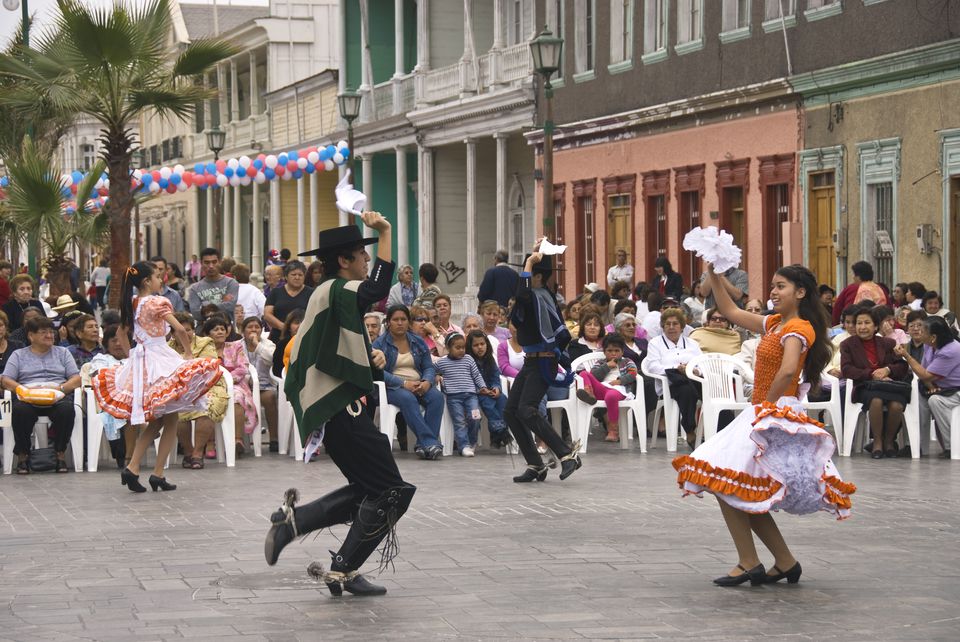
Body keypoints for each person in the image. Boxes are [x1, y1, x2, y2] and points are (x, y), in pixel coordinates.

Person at [673, 263, 854, 587]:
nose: (773, 291)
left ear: (800, 292)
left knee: (724, 480)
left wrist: (766, 407)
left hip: (773, 411)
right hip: (763, 410)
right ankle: (783, 561)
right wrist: (714, 274)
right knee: (738, 485)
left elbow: (787, 371)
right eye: (772, 285)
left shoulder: (799, 327)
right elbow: (728, 308)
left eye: (781, 286)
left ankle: (749, 561)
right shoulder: (774, 323)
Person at [265, 214, 417, 598]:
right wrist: (385, 231)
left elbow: (338, 343)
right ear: (345, 261)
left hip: (340, 407)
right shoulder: (336, 288)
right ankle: (341, 567)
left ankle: (296, 527)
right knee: (391, 492)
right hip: (341, 408)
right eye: (362, 257)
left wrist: (370, 359)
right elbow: (379, 288)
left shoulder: (328, 292)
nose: (367, 263)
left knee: (371, 488)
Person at [93, 262, 222, 493]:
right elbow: (180, 329)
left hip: (143, 360)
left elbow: (122, 332)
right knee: (168, 419)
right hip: (160, 359)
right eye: (156, 276)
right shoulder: (157, 302)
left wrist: (130, 354)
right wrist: (189, 355)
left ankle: (137, 468)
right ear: (146, 281)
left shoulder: (133, 302)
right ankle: (155, 473)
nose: (160, 280)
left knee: (161, 420)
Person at [504, 247, 582, 483]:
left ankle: (567, 455)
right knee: (511, 411)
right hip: (531, 361)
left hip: (544, 361)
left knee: (527, 409)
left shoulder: (539, 296)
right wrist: (535, 255)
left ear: (537, 277)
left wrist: (530, 262)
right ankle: (536, 465)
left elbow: (523, 295)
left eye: (527, 274)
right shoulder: (535, 296)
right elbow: (522, 296)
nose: (522, 281)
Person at [0, 316, 81, 473]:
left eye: (51, 332)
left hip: (56, 396)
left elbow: (76, 378)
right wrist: (22, 390)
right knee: (20, 411)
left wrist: (61, 389)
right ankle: (23, 455)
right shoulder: (18, 355)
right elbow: (6, 379)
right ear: (31, 336)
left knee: (67, 410)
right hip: (29, 397)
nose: (50, 336)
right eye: (44, 332)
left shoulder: (62, 353)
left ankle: (59, 454)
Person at [374, 305, 445, 459]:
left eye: (403, 319)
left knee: (437, 398)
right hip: (393, 387)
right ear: (388, 322)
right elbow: (377, 372)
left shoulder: (418, 341)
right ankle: (430, 442)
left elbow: (428, 367)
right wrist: (403, 383)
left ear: (408, 322)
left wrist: (427, 381)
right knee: (408, 398)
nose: (400, 323)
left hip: (418, 383)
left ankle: (423, 445)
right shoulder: (380, 344)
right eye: (395, 320)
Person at [840, 307, 910, 459]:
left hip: (888, 386)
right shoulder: (847, 345)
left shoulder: (887, 343)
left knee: (897, 404)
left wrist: (887, 370)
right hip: (864, 386)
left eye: (867, 323)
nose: (862, 327)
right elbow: (846, 370)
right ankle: (877, 441)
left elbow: (903, 366)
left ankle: (889, 441)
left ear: (876, 326)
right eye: (859, 323)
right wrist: (871, 374)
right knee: (876, 400)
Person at [896, 316, 960, 459]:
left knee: (935, 401)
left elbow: (925, 374)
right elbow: (926, 370)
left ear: (933, 337)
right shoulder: (930, 344)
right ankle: (916, 446)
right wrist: (930, 385)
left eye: (923, 329)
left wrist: (906, 355)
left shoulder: (951, 350)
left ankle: (952, 447)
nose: (919, 331)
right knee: (915, 398)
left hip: (956, 390)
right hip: (939, 386)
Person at [168, 311, 227, 467]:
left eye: (188, 329)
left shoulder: (205, 342)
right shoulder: (167, 348)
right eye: (180, 330)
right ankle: (188, 452)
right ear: (173, 333)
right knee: (177, 410)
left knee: (207, 406)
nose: (185, 333)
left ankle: (198, 453)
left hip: (208, 385)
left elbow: (208, 366)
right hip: (180, 389)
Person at [645, 308, 704, 449]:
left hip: (693, 379)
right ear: (663, 326)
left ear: (682, 326)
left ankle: (720, 432)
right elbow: (652, 366)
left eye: (675, 324)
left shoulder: (692, 344)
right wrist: (677, 368)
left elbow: (702, 364)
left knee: (714, 392)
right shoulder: (655, 343)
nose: (671, 327)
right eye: (668, 324)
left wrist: (694, 370)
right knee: (686, 389)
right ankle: (690, 430)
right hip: (671, 383)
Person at [203, 316, 258, 458]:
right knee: (207, 400)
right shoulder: (204, 350)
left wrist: (227, 381)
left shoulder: (235, 346)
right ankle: (210, 443)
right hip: (210, 385)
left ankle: (237, 441)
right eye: (216, 329)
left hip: (235, 384)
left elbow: (243, 367)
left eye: (222, 329)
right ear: (208, 334)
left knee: (237, 397)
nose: (220, 332)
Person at [434, 333, 489, 456]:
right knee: (459, 422)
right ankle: (463, 446)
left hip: (471, 396)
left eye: (463, 347)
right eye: (457, 348)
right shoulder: (442, 362)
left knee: (475, 417)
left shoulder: (469, 359)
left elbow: (476, 375)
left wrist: (483, 387)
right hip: (454, 398)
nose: (461, 350)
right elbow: (431, 369)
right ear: (448, 348)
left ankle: (472, 442)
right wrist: (436, 375)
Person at [575, 334, 637, 442]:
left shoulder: (627, 361)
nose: (613, 354)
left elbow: (633, 374)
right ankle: (589, 393)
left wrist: (619, 381)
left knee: (611, 396)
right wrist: (607, 366)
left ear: (622, 351)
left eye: (617, 351)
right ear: (604, 352)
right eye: (610, 350)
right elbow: (594, 375)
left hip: (619, 390)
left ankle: (613, 430)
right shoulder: (601, 363)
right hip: (602, 388)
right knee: (584, 373)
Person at [89, 324, 130, 469]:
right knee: (116, 412)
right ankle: (123, 456)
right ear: (106, 343)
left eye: (121, 339)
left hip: (133, 399)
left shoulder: (135, 358)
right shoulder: (101, 359)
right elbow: (100, 376)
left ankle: (129, 456)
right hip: (108, 402)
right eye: (114, 340)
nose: (118, 344)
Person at [466, 330, 511, 448]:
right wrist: (479, 389)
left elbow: (495, 377)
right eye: (476, 345)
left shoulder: (489, 359)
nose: (480, 347)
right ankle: (499, 431)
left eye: (482, 344)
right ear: (470, 347)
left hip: (489, 391)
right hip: (475, 393)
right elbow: (467, 380)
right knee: (487, 402)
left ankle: (497, 433)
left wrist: (496, 388)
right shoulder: (468, 361)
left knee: (502, 399)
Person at [241, 316, 278, 451]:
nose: (254, 330)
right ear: (243, 330)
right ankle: (240, 440)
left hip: (264, 386)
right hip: (244, 386)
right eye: (250, 327)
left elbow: (272, 359)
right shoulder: (237, 346)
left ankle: (274, 438)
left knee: (270, 398)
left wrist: (257, 345)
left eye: (257, 327)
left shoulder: (268, 344)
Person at [264, 260, 312, 342]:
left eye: (300, 275)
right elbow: (267, 314)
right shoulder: (275, 292)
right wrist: (284, 327)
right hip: (278, 337)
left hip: (303, 337)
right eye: (293, 274)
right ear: (286, 276)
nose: (297, 277)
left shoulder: (311, 293)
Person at [188, 248, 240, 323]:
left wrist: (205, 306)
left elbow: (229, 306)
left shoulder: (231, 283)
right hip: (203, 331)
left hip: (227, 330)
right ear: (201, 263)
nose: (211, 266)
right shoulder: (194, 288)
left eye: (214, 262)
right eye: (207, 262)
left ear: (219, 262)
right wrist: (221, 302)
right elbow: (196, 313)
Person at [272, 309, 304, 378]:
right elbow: (277, 370)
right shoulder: (282, 344)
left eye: (304, 322)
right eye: (296, 323)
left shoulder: (311, 343)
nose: (300, 326)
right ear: (289, 327)